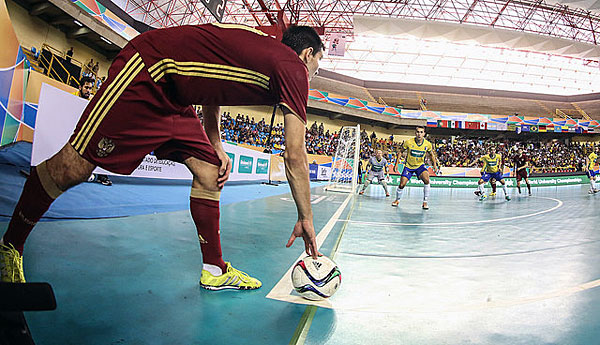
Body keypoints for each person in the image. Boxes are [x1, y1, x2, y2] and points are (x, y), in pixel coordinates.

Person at [0, 24, 324, 290]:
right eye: (316, 66)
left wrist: (216, 145)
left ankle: (214, 268)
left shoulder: (260, 52)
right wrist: (306, 218)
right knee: (73, 167)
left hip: (178, 95)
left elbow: (215, 88)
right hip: (147, 69)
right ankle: (9, 246)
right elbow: (295, 155)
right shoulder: (292, 67)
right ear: (307, 53)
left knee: (211, 171)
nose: (312, 75)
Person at [72, 77, 113, 186]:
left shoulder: (92, 101)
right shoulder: (72, 97)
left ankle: (101, 175)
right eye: (86, 88)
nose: (88, 91)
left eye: (90, 88)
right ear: (80, 87)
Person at [392, 126, 438, 210]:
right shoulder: (408, 142)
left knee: (427, 179)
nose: (419, 134)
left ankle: (425, 201)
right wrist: (396, 164)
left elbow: (431, 154)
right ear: (415, 133)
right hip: (408, 166)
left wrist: (434, 165)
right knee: (402, 185)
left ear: (424, 134)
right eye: (418, 132)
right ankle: (397, 200)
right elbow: (400, 152)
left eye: (421, 132)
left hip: (420, 166)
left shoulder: (427, 144)